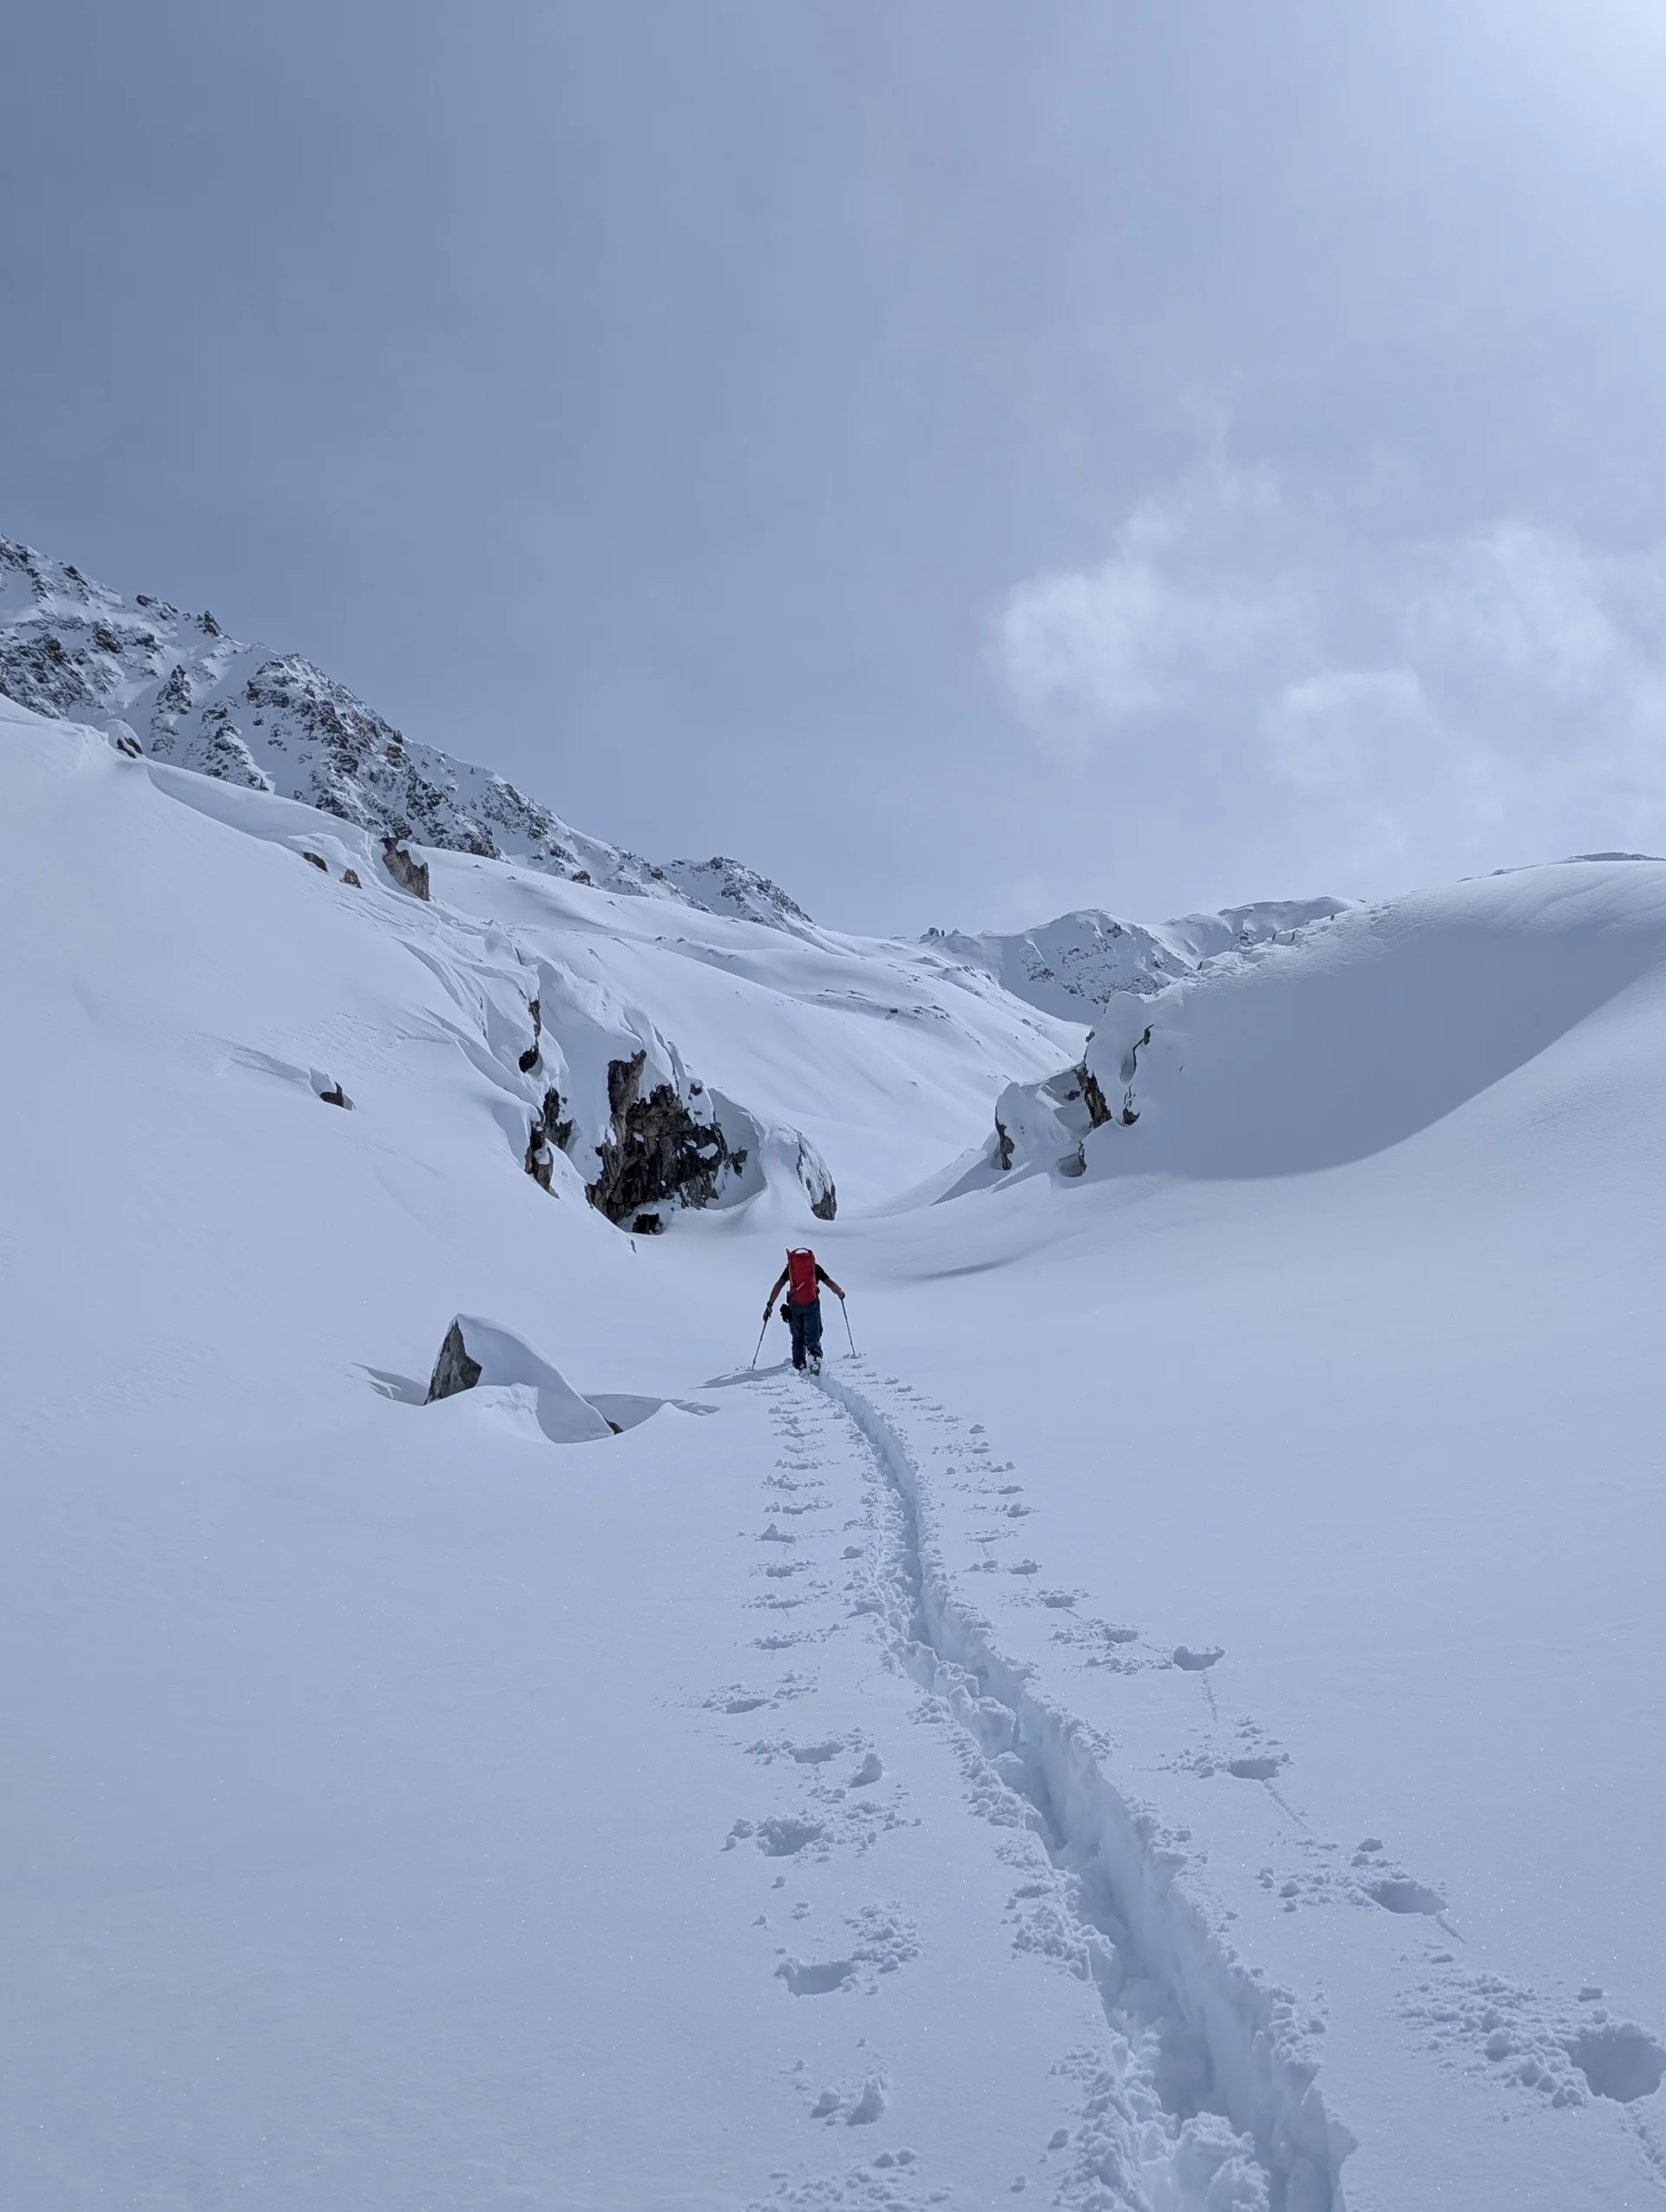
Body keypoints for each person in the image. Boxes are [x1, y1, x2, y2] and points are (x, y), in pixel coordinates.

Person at [764, 1246, 845, 1375]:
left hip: (794, 1305)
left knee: (797, 1336)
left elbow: (779, 1284)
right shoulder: (814, 1267)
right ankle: (814, 1357)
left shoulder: (791, 1269)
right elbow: (828, 1282)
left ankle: (799, 1363)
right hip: (812, 1304)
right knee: (813, 1333)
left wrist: (770, 1304)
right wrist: (839, 1292)